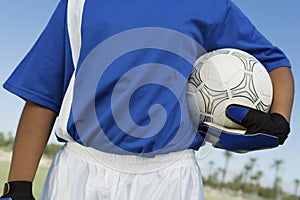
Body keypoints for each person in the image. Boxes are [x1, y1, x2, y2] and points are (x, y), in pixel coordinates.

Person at [1, 0, 294, 199]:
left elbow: (274, 62)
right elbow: (44, 94)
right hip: (79, 172)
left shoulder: (211, 5)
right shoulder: (79, 3)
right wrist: (19, 185)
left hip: (170, 177)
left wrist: (279, 119)